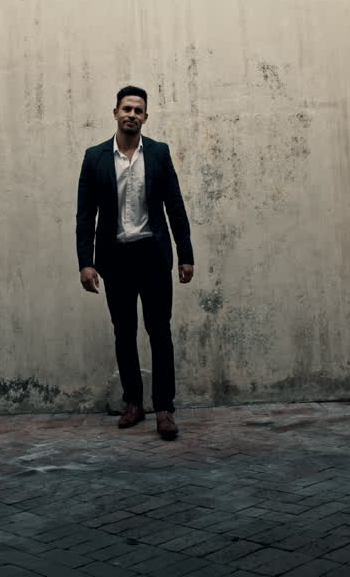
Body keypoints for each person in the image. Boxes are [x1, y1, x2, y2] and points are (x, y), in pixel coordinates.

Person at [76, 85, 194, 439]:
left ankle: (164, 409)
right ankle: (133, 404)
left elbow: (175, 205)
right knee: (123, 333)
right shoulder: (94, 157)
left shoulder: (158, 153)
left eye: (138, 110)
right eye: (126, 108)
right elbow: (85, 215)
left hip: (153, 255)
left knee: (160, 332)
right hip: (115, 259)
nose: (131, 114)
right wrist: (86, 262)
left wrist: (186, 255)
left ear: (145, 116)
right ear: (115, 113)